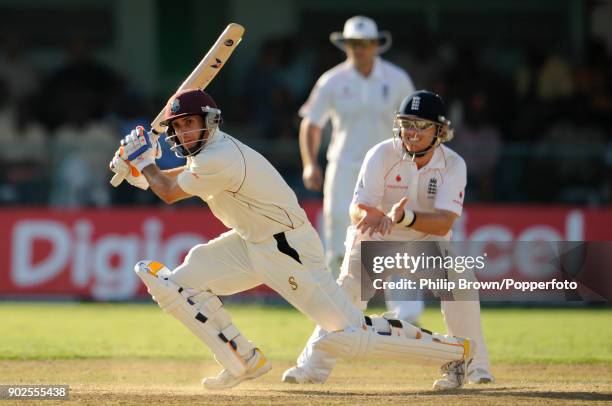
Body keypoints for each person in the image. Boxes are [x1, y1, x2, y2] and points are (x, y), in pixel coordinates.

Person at [109, 88, 474, 391]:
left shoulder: (218, 158)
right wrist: (137, 169)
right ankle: (241, 360)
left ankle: (453, 352)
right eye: (180, 127)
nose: (186, 133)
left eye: (191, 124)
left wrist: (143, 163)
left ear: (210, 122)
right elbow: (171, 180)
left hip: (287, 248)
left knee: (347, 333)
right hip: (251, 242)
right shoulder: (204, 158)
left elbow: (170, 191)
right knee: (180, 284)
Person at [283, 90, 495, 387]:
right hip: (376, 239)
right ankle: (310, 369)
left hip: (425, 243)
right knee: (345, 301)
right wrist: (369, 216)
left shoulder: (454, 164)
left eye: (422, 125)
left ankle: (471, 367)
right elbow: (356, 207)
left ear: (441, 130)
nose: (412, 132)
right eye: (407, 123)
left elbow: (444, 221)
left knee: (461, 284)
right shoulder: (382, 153)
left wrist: (404, 218)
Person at [298, 15, 422, 324]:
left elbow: (415, 125)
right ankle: (338, 314)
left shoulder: (397, 79)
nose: (360, 50)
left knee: (398, 237)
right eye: (354, 44)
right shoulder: (332, 81)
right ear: (346, 46)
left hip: (390, 168)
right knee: (339, 233)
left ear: (376, 45)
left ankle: (405, 316)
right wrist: (310, 164)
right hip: (344, 167)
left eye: (365, 44)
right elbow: (311, 124)